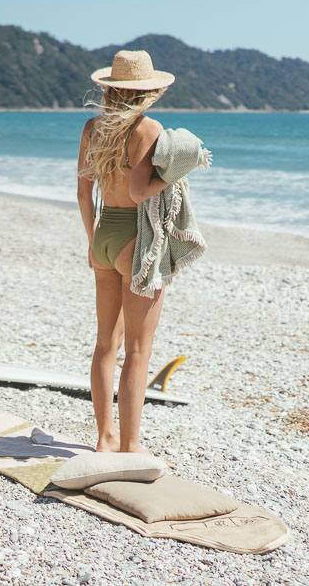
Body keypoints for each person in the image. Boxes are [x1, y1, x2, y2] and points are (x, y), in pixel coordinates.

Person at [75, 49, 174, 456]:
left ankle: (104, 439)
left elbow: (83, 192)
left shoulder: (91, 128)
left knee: (104, 345)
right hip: (135, 238)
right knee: (137, 350)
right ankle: (131, 445)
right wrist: (169, 182)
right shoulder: (148, 128)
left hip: (104, 234)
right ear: (148, 91)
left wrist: (91, 240)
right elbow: (138, 192)